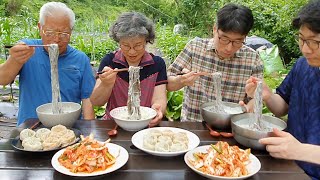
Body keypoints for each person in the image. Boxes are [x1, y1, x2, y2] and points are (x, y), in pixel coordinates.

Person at [245, 1, 320, 179]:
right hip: (290, 167)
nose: (305, 49)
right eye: (302, 39)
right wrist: (267, 95)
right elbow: (282, 107)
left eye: (315, 42)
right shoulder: (303, 66)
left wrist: (301, 150)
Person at [0, 2, 96, 125]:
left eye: (64, 34)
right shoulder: (28, 50)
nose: (56, 39)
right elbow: (3, 79)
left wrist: (89, 132)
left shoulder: (80, 59)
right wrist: (14, 60)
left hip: (68, 129)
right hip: (30, 127)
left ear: (71, 32)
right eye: (50, 33)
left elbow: (88, 100)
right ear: (40, 28)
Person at [167, 4, 263, 122]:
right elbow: (167, 84)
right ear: (214, 29)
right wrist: (181, 80)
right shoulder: (195, 47)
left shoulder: (253, 59)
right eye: (224, 39)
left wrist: (249, 108)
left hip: (230, 128)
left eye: (238, 41)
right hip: (193, 125)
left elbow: (256, 98)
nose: (229, 48)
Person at [90, 12, 167, 127]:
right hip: (114, 125)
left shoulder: (157, 64)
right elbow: (96, 102)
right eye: (125, 45)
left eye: (138, 45)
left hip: (146, 123)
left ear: (146, 40)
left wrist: (157, 109)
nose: (132, 51)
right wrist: (106, 84)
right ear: (118, 41)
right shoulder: (110, 62)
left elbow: (159, 98)